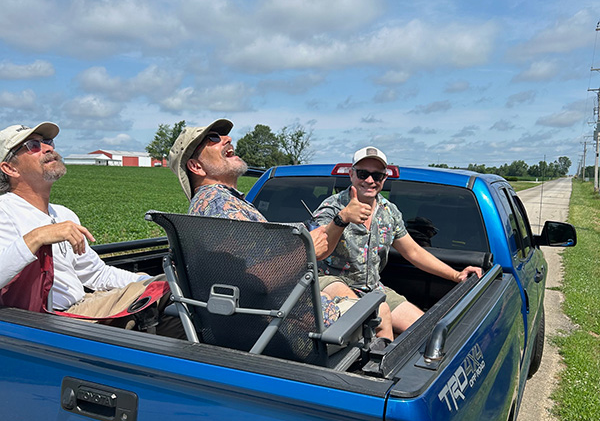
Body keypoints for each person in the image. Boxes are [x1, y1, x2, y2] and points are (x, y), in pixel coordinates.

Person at [168, 120, 394, 340]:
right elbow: (248, 284)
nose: (227, 139)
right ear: (196, 166)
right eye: (213, 139)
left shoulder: (219, 203)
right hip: (300, 331)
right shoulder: (218, 205)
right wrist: (307, 253)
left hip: (287, 317)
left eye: (224, 135)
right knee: (381, 311)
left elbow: (248, 269)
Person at [0, 122, 183, 337]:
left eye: (47, 142)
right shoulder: (4, 211)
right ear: (10, 168)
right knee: (174, 288)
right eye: (32, 145)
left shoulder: (63, 214)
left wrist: (142, 281)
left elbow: (96, 274)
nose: (48, 148)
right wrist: (37, 237)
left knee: (183, 321)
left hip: (85, 304)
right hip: (53, 321)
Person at [313, 146, 483, 334]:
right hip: (333, 283)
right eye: (362, 174)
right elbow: (318, 251)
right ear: (352, 175)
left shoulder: (389, 212)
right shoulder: (332, 207)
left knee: (425, 331)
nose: (369, 180)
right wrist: (342, 219)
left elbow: (413, 252)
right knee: (370, 321)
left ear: (384, 179)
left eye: (377, 176)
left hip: (372, 289)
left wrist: (456, 275)